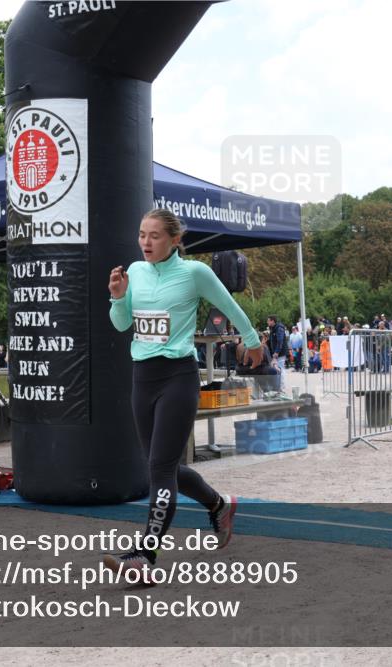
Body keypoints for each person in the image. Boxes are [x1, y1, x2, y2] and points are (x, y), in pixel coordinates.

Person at [104, 208, 264, 580]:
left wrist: (253, 341)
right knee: (164, 467)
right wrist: (118, 297)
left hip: (178, 376)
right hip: (143, 377)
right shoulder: (135, 271)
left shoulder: (195, 273)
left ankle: (144, 556)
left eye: (155, 235)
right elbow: (122, 324)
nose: (145, 242)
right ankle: (219, 505)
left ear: (175, 240)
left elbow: (230, 307)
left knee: (160, 469)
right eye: (142, 234)